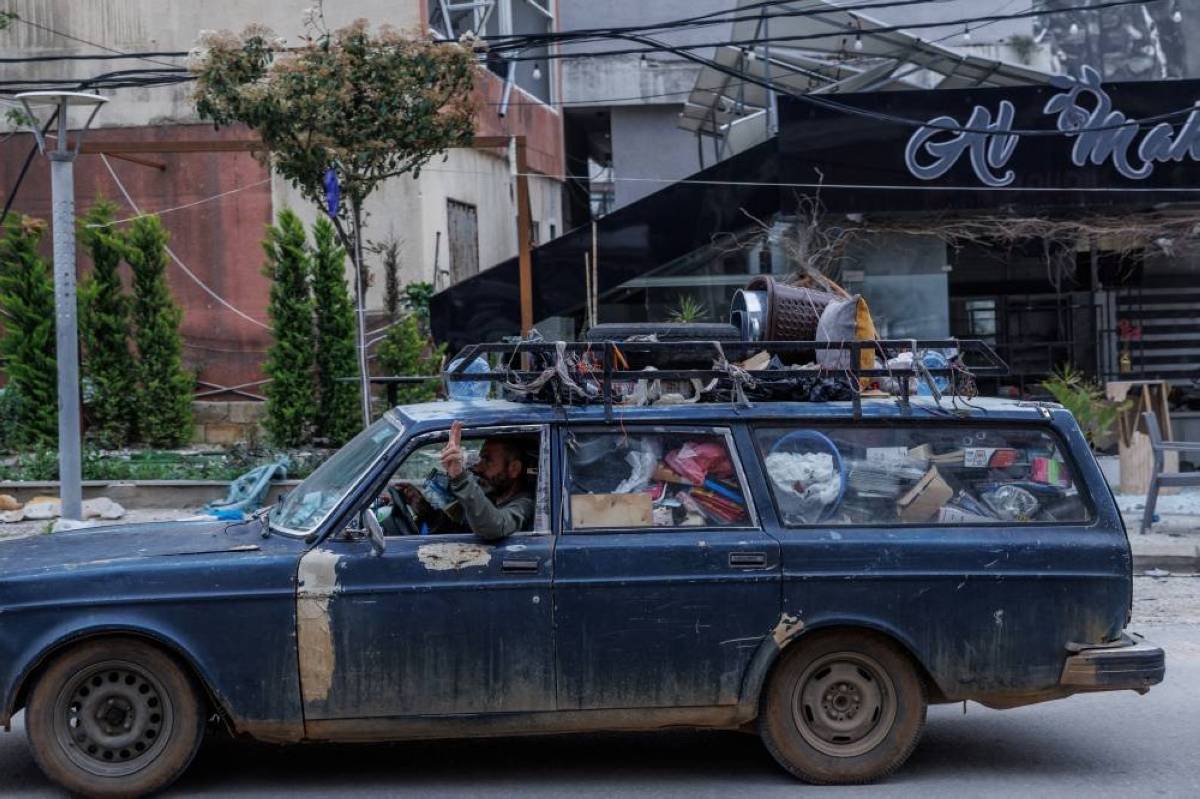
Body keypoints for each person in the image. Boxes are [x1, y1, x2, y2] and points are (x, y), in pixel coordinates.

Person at [395, 422, 535, 540]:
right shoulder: (492, 496)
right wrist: (427, 512)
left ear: (514, 469)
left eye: (487, 460)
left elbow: (495, 527)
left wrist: (460, 478)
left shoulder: (524, 505)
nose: (478, 467)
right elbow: (461, 533)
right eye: (480, 458)